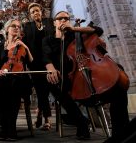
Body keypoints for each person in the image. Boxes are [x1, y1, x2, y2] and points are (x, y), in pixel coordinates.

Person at [43, 11, 130, 140]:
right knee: (54, 85)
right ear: (54, 22)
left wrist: (74, 28)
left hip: (88, 69)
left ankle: (121, 129)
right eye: (60, 18)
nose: (63, 20)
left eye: (66, 18)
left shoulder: (76, 33)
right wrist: (50, 68)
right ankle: (81, 122)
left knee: (119, 77)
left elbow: (98, 30)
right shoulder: (48, 39)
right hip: (68, 76)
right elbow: (45, 56)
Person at [0, 19, 33, 141]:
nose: (17, 28)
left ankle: (11, 128)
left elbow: (31, 61)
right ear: (7, 29)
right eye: (13, 26)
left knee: (13, 84)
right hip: (4, 78)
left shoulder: (22, 45)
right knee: (1, 85)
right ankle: (3, 127)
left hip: (20, 78)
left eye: (19, 26)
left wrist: (26, 47)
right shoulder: (0, 46)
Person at [22, 3, 55, 130]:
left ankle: (41, 112)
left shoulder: (49, 22)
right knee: (41, 90)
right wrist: (26, 65)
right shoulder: (27, 26)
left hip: (50, 62)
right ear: (30, 15)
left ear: (41, 11)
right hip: (35, 62)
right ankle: (46, 118)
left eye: (37, 10)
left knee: (45, 90)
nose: (35, 13)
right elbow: (25, 46)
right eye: (32, 12)